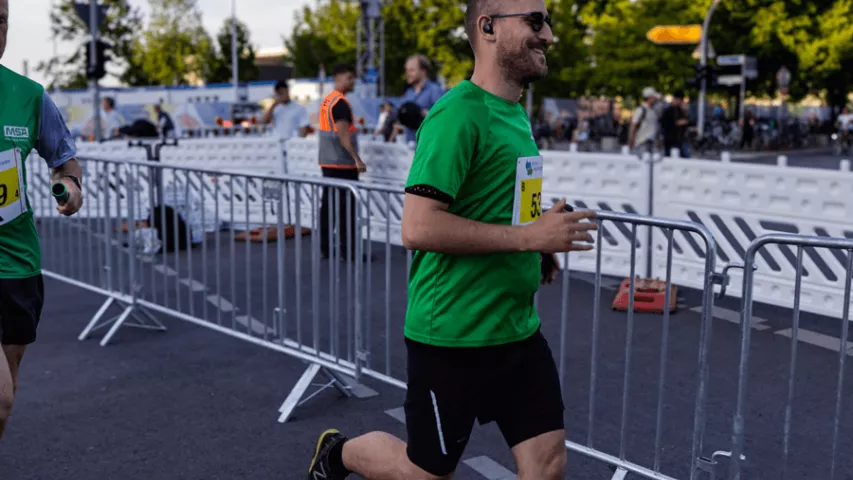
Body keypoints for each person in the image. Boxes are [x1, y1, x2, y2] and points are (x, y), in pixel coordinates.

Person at [306, 1, 598, 479]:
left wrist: (538, 239)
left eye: (548, 21)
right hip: (452, 336)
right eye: (535, 21)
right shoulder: (456, 115)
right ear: (487, 27)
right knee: (424, 471)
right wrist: (527, 237)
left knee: (547, 465)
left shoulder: (514, 115)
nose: (549, 35)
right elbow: (418, 228)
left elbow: (495, 203)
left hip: (517, 330)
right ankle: (337, 454)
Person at [0, 0, 84, 441]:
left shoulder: (30, 95)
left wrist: (69, 188)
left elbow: (65, 162)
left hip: (17, 263)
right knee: (1, 397)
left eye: (1, 21)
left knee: (7, 387)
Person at [317, 64, 367, 261]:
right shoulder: (341, 104)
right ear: (338, 78)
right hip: (342, 164)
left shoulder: (327, 101)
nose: (352, 81)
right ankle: (349, 252)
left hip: (328, 162)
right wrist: (357, 159)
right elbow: (344, 135)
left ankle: (326, 249)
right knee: (347, 210)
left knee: (328, 208)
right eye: (349, 78)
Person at [398, 55, 445, 142]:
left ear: (423, 71)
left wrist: (424, 113)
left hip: (427, 147)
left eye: (411, 70)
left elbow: (444, 118)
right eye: (406, 70)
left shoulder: (435, 91)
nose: (407, 74)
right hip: (409, 146)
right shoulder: (409, 92)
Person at [262, 80, 310, 145]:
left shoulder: (299, 108)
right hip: (277, 143)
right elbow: (264, 121)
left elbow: (304, 127)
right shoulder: (275, 108)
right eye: (278, 93)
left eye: (282, 92)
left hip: (292, 144)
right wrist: (274, 104)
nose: (281, 95)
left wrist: (300, 143)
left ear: (288, 90)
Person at [628, 86, 660, 156]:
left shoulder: (653, 110)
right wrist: (630, 141)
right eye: (654, 98)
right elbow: (633, 125)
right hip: (642, 143)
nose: (656, 99)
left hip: (652, 143)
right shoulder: (641, 110)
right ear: (649, 98)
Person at [660, 90, 690, 158]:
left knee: (685, 158)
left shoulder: (681, 110)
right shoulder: (668, 111)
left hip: (680, 139)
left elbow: (688, 122)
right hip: (670, 140)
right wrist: (677, 123)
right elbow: (664, 124)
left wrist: (685, 111)